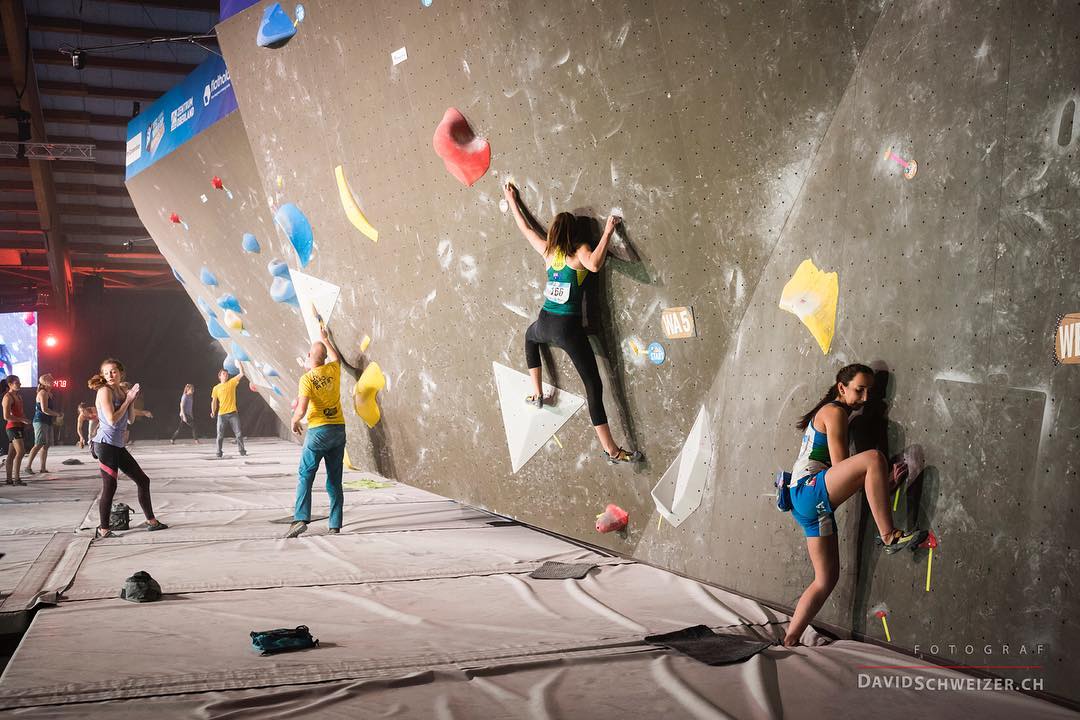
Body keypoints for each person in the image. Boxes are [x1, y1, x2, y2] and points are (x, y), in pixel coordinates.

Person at [782, 364, 928, 646]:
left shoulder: (834, 414)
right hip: (810, 491)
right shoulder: (834, 412)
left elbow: (846, 476)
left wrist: (881, 485)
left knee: (826, 579)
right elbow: (841, 468)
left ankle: (790, 639)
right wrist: (883, 482)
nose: (865, 398)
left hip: (809, 505)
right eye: (859, 390)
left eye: (869, 392)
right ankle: (888, 536)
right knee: (873, 458)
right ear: (841, 388)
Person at [503, 182, 642, 464]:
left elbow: (527, 229)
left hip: (544, 323)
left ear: (554, 233)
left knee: (530, 338)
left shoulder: (548, 253)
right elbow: (594, 265)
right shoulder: (579, 252)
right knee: (594, 386)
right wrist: (607, 231)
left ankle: (537, 392)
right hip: (568, 331)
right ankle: (611, 450)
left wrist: (512, 200)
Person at [88, 359, 167, 539]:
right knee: (110, 486)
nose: (110, 375)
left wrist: (131, 400)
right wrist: (128, 400)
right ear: (102, 375)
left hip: (117, 445)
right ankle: (104, 529)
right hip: (104, 445)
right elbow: (112, 420)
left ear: (121, 373)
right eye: (106, 372)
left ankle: (151, 521)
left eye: (113, 371)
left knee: (143, 480)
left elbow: (130, 419)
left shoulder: (121, 391)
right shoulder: (104, 391)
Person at [285, 325, 347, 538]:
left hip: (318, 431)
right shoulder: (333, 370)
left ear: (310, 355)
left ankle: (300, 519)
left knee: (306, 475)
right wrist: (325, 338)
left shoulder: (307, 380)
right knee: (334, 480)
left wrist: (294, 419)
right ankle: (335, 525)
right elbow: (334, 357)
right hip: (338, 430)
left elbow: (301, 409)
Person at [24, 374, 60, 474]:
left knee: (46, 445)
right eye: (50, 380)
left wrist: (55, 415)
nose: (52, 381)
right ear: (44, 382)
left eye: (52, 379)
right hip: (40, 420)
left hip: (47, 421)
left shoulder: (50, 394)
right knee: (39, 444)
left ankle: (43, 468)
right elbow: (44, 409)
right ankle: (28, 467)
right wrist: (57, 414)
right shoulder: (43, 393)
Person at [210, 365, 246, 458]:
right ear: (220, 376)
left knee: (238, 433)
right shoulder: (216, 388)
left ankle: (242, 451)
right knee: (220, 435)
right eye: (223, 374)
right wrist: (213, 412)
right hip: (221, 415)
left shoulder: (232, 382)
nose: (225, 375)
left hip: (233, 413)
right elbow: (214, 401)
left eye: (226, 374)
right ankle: (218, 452)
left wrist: (239, 363)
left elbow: (242, 374)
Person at [3, 375, 28, 485]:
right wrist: (22, 419)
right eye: (17, 383)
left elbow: (21, 412)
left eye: (19, 382)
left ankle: (9, 479)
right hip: (12, 427)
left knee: (11, 454)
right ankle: (17, 478)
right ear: (10, 385)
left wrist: (25, 421)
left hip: (19, 426)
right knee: (21, 452)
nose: (20, 384)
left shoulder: (19, 396)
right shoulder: (7, 397)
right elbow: (6, 416)